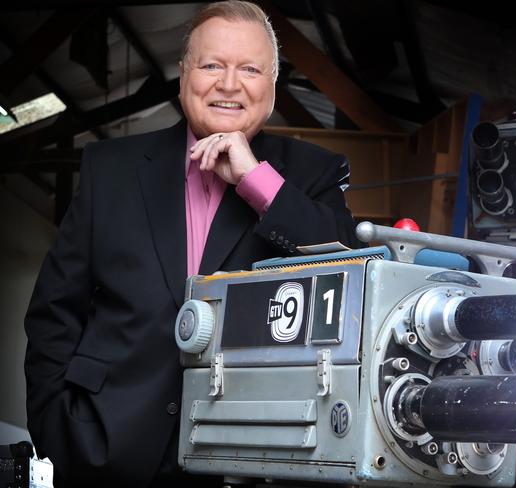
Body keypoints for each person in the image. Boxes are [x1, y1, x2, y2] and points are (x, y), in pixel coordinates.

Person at [24, 2, 359, 486]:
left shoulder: (312, 175)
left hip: (252, 457)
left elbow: (350, 279)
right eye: (211, 65)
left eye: (249, 69)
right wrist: (57, 430)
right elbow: (54, 312)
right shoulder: (110, 169)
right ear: (183, 76)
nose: (228, 84)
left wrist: (255, 182)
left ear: (272, 83)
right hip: (105, 450)